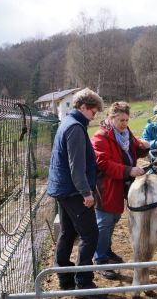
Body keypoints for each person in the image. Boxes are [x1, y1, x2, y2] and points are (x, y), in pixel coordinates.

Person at [47, 88, 105, 295]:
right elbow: (76, 167)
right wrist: (86, 193)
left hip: (62, 189)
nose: (94, 116)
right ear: (83, 107)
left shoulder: (68, 123)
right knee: (90, 235)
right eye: (93, 111)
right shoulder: (76, 129)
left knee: (68, 232)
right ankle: (84, 283)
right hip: (73, 192)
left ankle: (65, 278)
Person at [91, 101, 149, 279]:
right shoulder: (100, 137)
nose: (125, 123)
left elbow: (132, 148)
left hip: (121, 185)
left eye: (126, 120)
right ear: (111, 117)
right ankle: (99, 260)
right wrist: (128, 170)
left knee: (114, 218)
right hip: (106, 187)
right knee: (104, 222)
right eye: (121, 120)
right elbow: (103, 163)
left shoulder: (125, 133)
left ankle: (106, 251)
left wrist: (142, 148)